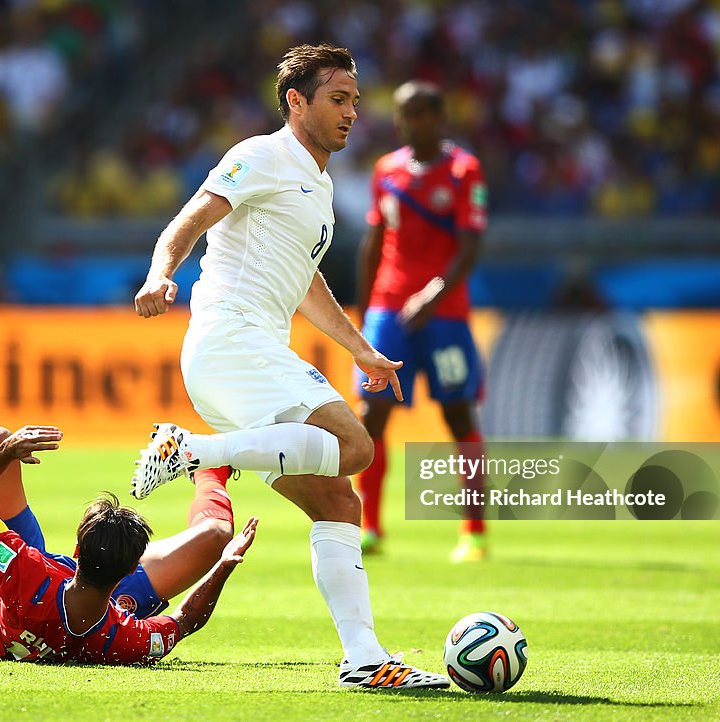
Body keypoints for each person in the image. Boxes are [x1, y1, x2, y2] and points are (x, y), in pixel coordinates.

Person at [131, 44, 449, 689]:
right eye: (337, 99)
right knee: (353, 445)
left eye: (356, 101)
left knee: (338, 500)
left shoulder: (320, 184)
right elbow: (186, 222)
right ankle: (188, 450)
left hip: (249, 353)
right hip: (231, 340)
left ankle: (363, 659)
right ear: (296, 102)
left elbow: (305, 282)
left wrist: (359, 348)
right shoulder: (259, 156)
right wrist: (160, 275)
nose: (351, 112)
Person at [0, 425, 257, 664]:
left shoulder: (22, 566)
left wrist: (7, 450)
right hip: (81, 606)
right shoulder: (121, 638)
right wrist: (224, 564)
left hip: (4, 596)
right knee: (217, 536)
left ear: (75, 550)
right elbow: (185, 620)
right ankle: (208, 465)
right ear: (131, 571)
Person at [356, 80, 489, 563]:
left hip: (446, 313)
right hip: (388, 309)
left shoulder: (463, 170)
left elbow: (471, 245)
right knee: (372, 415)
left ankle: (473, 533)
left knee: (458, 416)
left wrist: (433, 294)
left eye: (422, 114)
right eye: (405, 115)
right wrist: (364, 308)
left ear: (440, 117)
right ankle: (369, 527)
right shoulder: (386, 170)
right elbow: (374, 241)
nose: (414, 123)